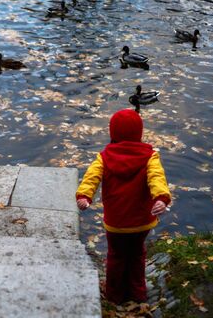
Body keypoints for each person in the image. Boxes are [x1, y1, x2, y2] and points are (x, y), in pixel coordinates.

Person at [76, 109, 171, 304]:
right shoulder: (150, 156)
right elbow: (156, 178)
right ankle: (138, 294)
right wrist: (161, 198)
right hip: (142, 221)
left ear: (113, 132)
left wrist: (85, 195)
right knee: (137, 255)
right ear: (139, 133)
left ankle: (114, 295)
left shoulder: (104, 156)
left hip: (116, 221)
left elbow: (91, 177)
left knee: (116, 256)